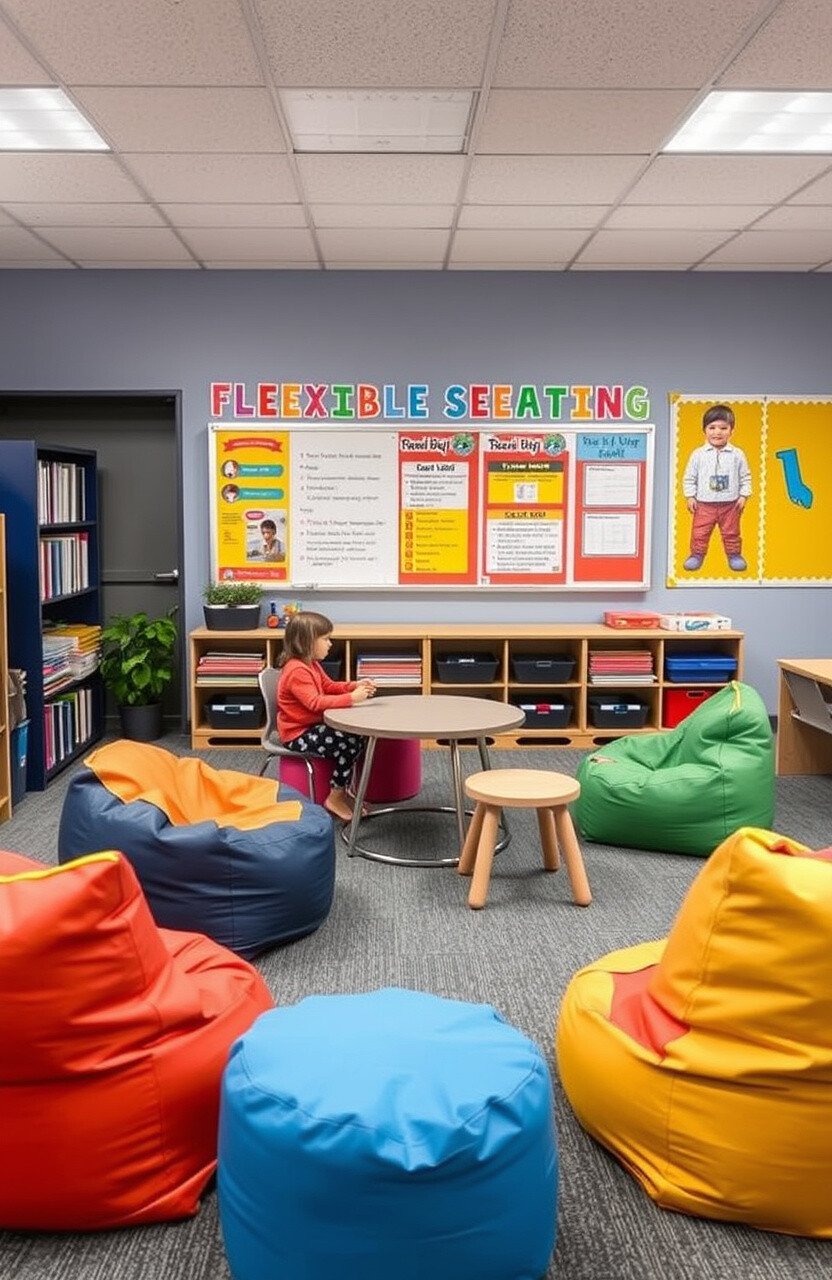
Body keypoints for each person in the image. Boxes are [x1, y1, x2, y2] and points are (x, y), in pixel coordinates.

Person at [277, 611, 376, 821]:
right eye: (325, 639)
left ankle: (343, 789)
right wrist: (351, 698)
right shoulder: (296, 670)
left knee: (356, 736)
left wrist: (354, 685)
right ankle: (335, 796)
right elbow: (314, 703)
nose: (330, 644)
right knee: (349, 741)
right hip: (298, 734)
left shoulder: (311, 664)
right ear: (306, 642)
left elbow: (328, 686)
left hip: (312, 727)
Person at [682, 404, 751, 572]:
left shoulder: (737, 454)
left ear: (731, 430)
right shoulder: (698, 454)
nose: (717, 432)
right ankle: (697, 555)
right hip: (704, 505)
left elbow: (746, 477)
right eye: (712, 427)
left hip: (730, 505)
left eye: (723, 428)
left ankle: (734, 555)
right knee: (700, 532)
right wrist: (690, 496)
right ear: (704, 430)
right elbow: (689, 477)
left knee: (731, 532)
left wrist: (743, 495)